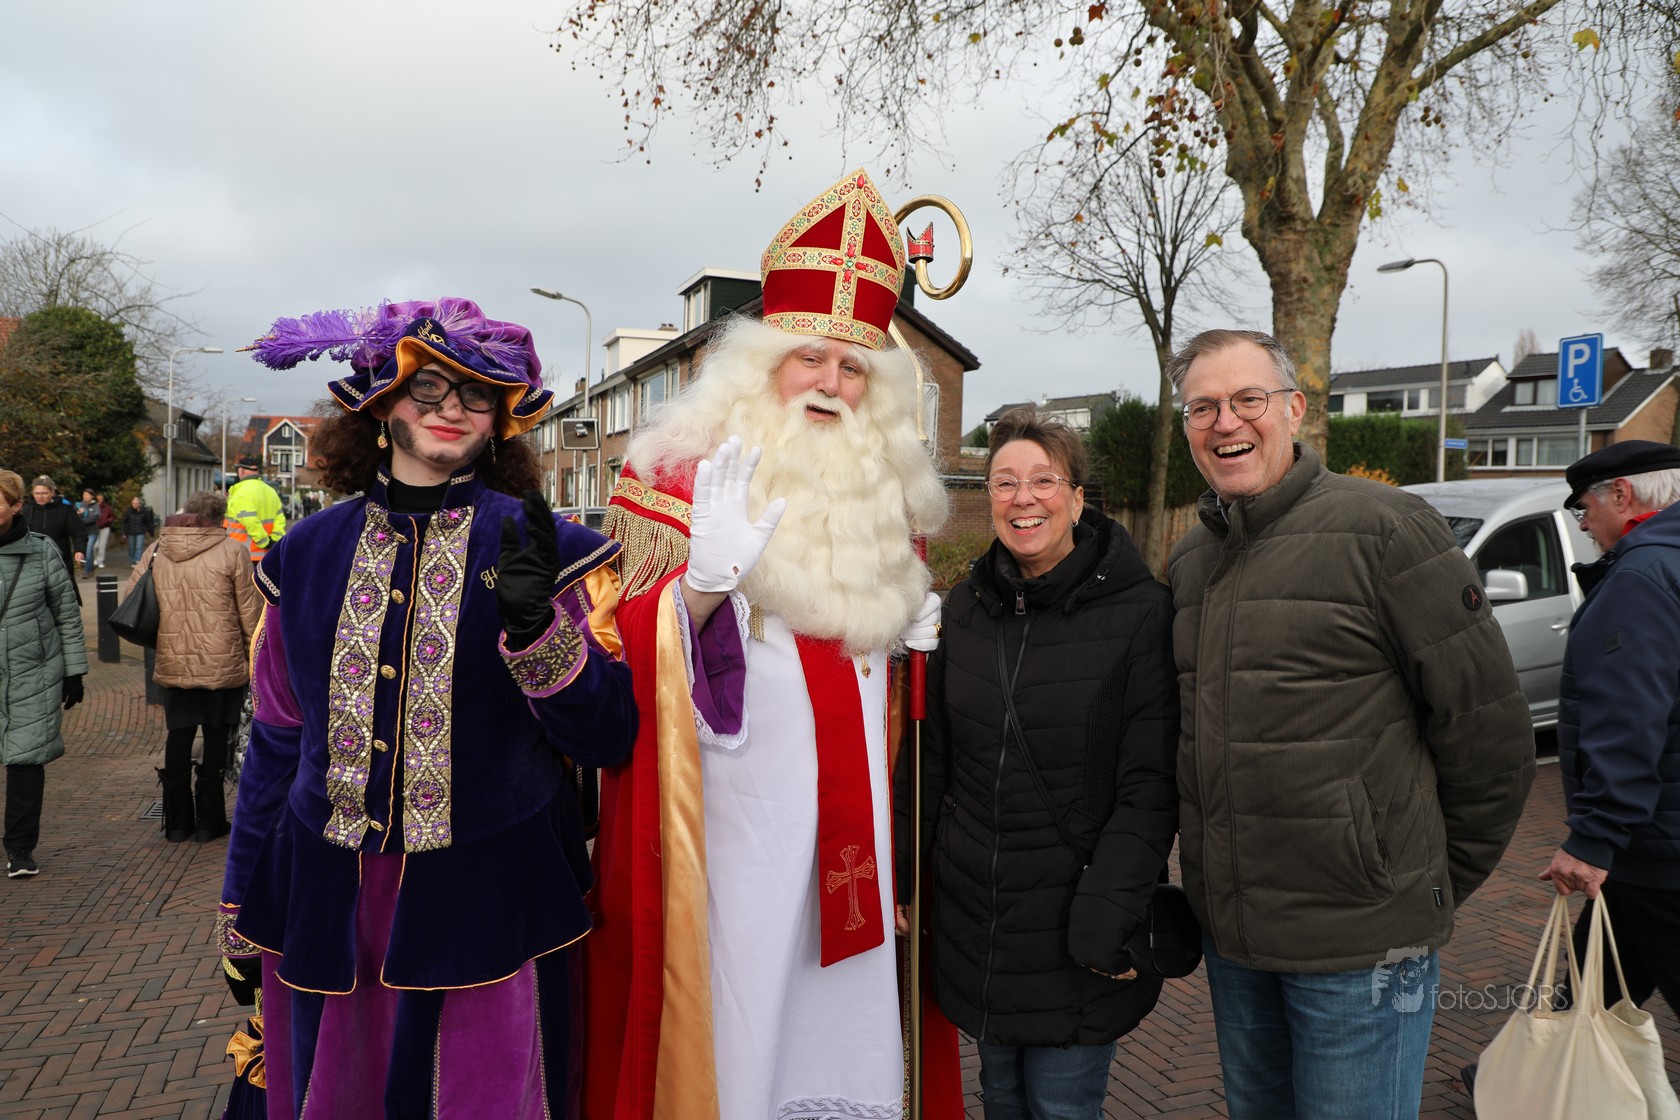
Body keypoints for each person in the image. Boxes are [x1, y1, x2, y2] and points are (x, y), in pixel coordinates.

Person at [584, 168, 951, 1120]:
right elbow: (611, 658)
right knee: (743, 1020)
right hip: (731, 829)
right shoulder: (672, 475)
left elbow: (868, 681)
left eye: (853, 368)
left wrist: (905, 637)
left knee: (841, 1018)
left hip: (852, 825)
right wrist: (701, 589)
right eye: (810, 358)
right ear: (761, 364)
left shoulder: (886, 493)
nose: (831, 383)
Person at [220, 296, 637, 1116]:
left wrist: (537, 635)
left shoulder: (546, 549)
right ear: (382, 405)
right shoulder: (303, 554)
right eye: (430, 388)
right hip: (327, 898)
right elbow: (276, 737)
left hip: (489, 897)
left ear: (500, 420)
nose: (451, 408)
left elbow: (607, 737)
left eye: (476, 394)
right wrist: (239, 899)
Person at [1165, 328, 1536, 1119]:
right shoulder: (1192, 561)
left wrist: (1414, 886)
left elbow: (1490, 736)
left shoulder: (1389, 530)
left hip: (1362, 950)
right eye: (1203, 407)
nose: (1226, 422)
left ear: (1293, 409)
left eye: (1247, 399)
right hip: (1236, 946)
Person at [894, 405, 1178, 1118]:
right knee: (1000, 1099)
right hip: (978, 923)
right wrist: (904, 871)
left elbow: (1149, 788)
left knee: (1059, 1105)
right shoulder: (964, 611)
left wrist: (1107, 917)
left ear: (1078, 498)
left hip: (1076, 921)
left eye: (1045, 480)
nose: (1024, 498)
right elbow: (932, 758)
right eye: (1004, 482)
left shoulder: (1142, 615)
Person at [1539, 439, 1680, 1014]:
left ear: (1621, 494)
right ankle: (1552, 1061)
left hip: (1659, 850)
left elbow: (1629, 716)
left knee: (1595, 989)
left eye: (1583, 507)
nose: (1583, 524)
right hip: (1652, 844)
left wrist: (1594, 838)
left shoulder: (1640, 578)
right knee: (1591, 991)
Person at [126, 489, 262, 842]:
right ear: (220, 518)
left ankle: (176, 823)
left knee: (179, 734)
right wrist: (256, 657)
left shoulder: (156, 550)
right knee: (216, 737)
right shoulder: (233, 551)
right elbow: (250, 614)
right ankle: (209, 823)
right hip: (223, 661)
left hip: (174, 659)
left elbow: (131, 599)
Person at [0, 468, 87, 879]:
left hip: (32, 672)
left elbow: (66, 615)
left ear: (17, 506)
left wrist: (74, 672)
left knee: (26, 760)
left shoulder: (42, 551)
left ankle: (19, 848)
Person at [25, 476, 86, 591]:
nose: (40, 496)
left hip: (60, 559)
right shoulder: (27, 511)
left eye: (44, 493)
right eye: (37, 493)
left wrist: (79, 550)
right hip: (34, 561)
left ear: (52, 492)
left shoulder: (66, 510)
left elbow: (78, 532)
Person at [224, 455, 287, 560]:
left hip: (245, 555)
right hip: (268, 555)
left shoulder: (241, 493)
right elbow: (280, 519)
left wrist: (263, 542)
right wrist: (274, 540)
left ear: (241, 471)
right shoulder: (270, 491)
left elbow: (250, 521)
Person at [120, 495, 157, 566]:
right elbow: (124, 522)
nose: (135, 505)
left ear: (139, 504)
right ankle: (132, 561)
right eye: (133, 503)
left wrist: (151, 532)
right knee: (131, 548)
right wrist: (123, 532)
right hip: (130, 532)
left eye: (136, 503)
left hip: (140, 532)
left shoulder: (144, 512)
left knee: (139, 547)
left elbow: (148, 522)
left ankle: (137, 560)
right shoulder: (128, 512)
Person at [77, 489, 101, 576]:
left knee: (89, 549)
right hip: (82, 532)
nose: (85, 497)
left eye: (87, 495)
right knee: (86, 551)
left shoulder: (95, 506)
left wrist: (82, 520)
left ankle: (87, 571)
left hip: (92, 531)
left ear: (92, 496)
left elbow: (94, 518)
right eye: (84, 495)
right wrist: (80, 514)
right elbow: (75, 516)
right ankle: (90, 567)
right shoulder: (79, 505)